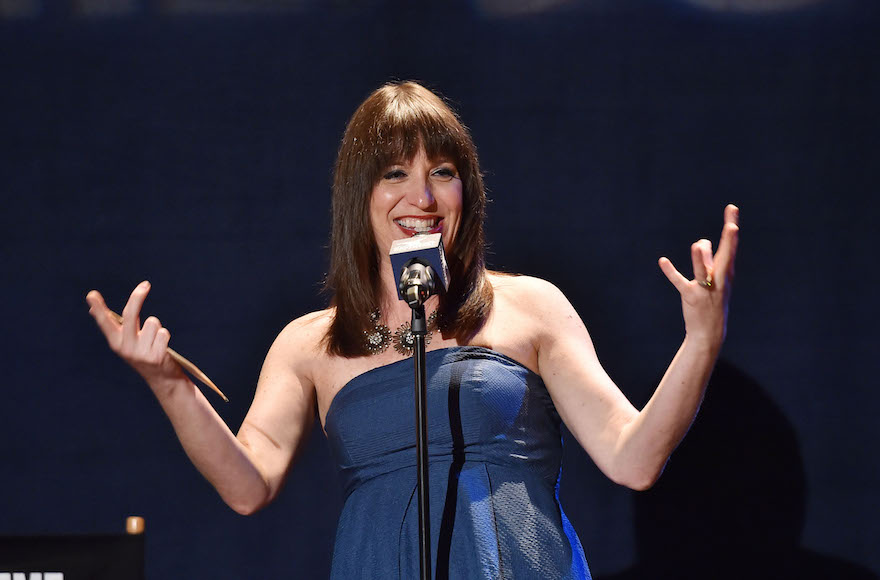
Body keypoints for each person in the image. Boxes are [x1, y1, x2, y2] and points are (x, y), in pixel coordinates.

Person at [86, 81, 739, 579]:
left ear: (468, 192)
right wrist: (169, 385)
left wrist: (701, 342)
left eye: (443, 173)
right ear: (359, 194)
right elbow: (247, 485)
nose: (421, 197)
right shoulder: (310, 344)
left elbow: (634, 457)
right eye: (395, 173)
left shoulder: (529, 307)